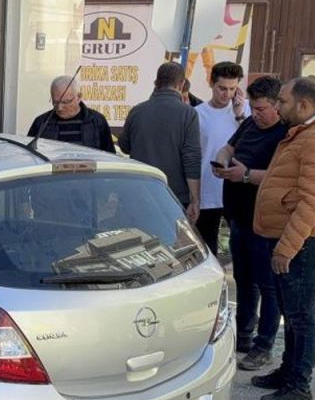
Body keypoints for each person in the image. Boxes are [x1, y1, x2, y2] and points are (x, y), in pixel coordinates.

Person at [251, 77, 315, 400]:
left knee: (302, 317)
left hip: (304, 242)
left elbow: (313, 202)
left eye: (281, 101)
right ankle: (287, 372)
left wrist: (286, 248)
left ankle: (299, 387)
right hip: (294, 239)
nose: (277, 106)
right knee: (292, 314)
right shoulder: (306, 134)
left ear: (304, 105)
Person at [212, 76, 288, 371]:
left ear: (277, 106)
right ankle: (243, 334)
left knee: (268, 285)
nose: (255, 114)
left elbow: (280, 177)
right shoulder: (249, 125)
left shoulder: (285, 133)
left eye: (261, 109)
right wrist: (222, 160)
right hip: (238, 217)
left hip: (265, 221)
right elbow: (228, 148)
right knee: (243, 281)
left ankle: (263, 344)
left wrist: (245, 176)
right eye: (253, 108)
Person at [119, 62, 202, 222]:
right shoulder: (188, 114)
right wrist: (195, 200)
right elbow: (191, 158)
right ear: (181, 84)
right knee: (171, 244)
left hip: (140, 191)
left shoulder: (137, 111)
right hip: (173, 195)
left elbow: (124, 146)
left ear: (156, 83)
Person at [195, 61, 247, 254]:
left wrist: (239, 115)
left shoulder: (246, 111)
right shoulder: (198, 114)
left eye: (233, 89)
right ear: (211, 84)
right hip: (208, 188)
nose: (227, 94)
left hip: (238, 187)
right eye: (222, 88)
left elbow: (251, 141)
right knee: (207, 245)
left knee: (240, 244)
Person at [27, 76, 115, 153]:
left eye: (66, 102)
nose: (60, 108)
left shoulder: (96, 121)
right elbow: (29, 153)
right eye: (55, 102)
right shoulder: (41, 122)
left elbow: (110, 156)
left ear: (79, 97)